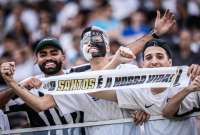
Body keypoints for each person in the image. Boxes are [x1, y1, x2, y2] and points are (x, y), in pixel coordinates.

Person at [0, 9, 175, 135]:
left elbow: (150, 98)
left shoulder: (126, 67)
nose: (92, 44)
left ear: (107, 46)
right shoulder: (75, 79)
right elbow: (42, 104)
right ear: (81, 49)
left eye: (97, 40)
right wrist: (13, 83)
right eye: (87, 41)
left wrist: (142, 109)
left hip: (131, 130)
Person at [87, 39, 200, 135]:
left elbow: (169, 112)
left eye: (160, 57)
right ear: (143, 64)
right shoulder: (138, 90)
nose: (154, 62)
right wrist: (116, 62)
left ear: (170, 62)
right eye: (148, 58)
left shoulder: (188, 80)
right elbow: (93, 89)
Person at [0, 38, 84, 134]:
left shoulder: (76, 77)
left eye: (54, 53)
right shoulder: (30, 85)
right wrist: (18, 87)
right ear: (36, 60)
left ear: (63, 58)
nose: (48, 58)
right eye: (43, 55)